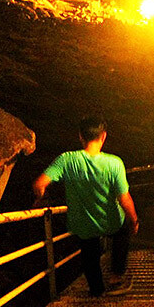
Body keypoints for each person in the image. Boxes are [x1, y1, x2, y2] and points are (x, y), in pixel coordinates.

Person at [33, 114, 139, 297]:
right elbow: (125, 199)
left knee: (89, 249)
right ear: (103, 136)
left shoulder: (66, 160)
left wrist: (42, 198)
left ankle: (97, 289)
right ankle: (116, 277)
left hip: (83, 223)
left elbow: (39, 184)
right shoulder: (114, 163)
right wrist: (134, 220)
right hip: (110, 221)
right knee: (123, 232)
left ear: (80, 136)